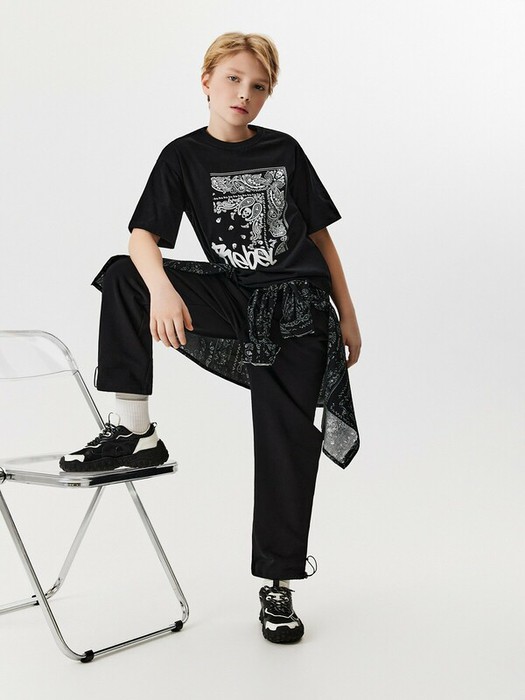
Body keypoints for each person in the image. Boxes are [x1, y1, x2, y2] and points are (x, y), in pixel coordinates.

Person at [60, 31, 362, 644]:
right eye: (233, 79)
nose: (244, 94)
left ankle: (278, 586)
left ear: (267, 95)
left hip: (297, 309)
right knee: (126, 275)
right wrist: (163, 289)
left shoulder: (284, 151)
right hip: (234, 294)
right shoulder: (182, 157)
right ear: (206, 81)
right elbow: (142, 237)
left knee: (283, 443)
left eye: (258, 86)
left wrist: (348, 316)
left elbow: (321, 239)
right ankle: (135, 430)